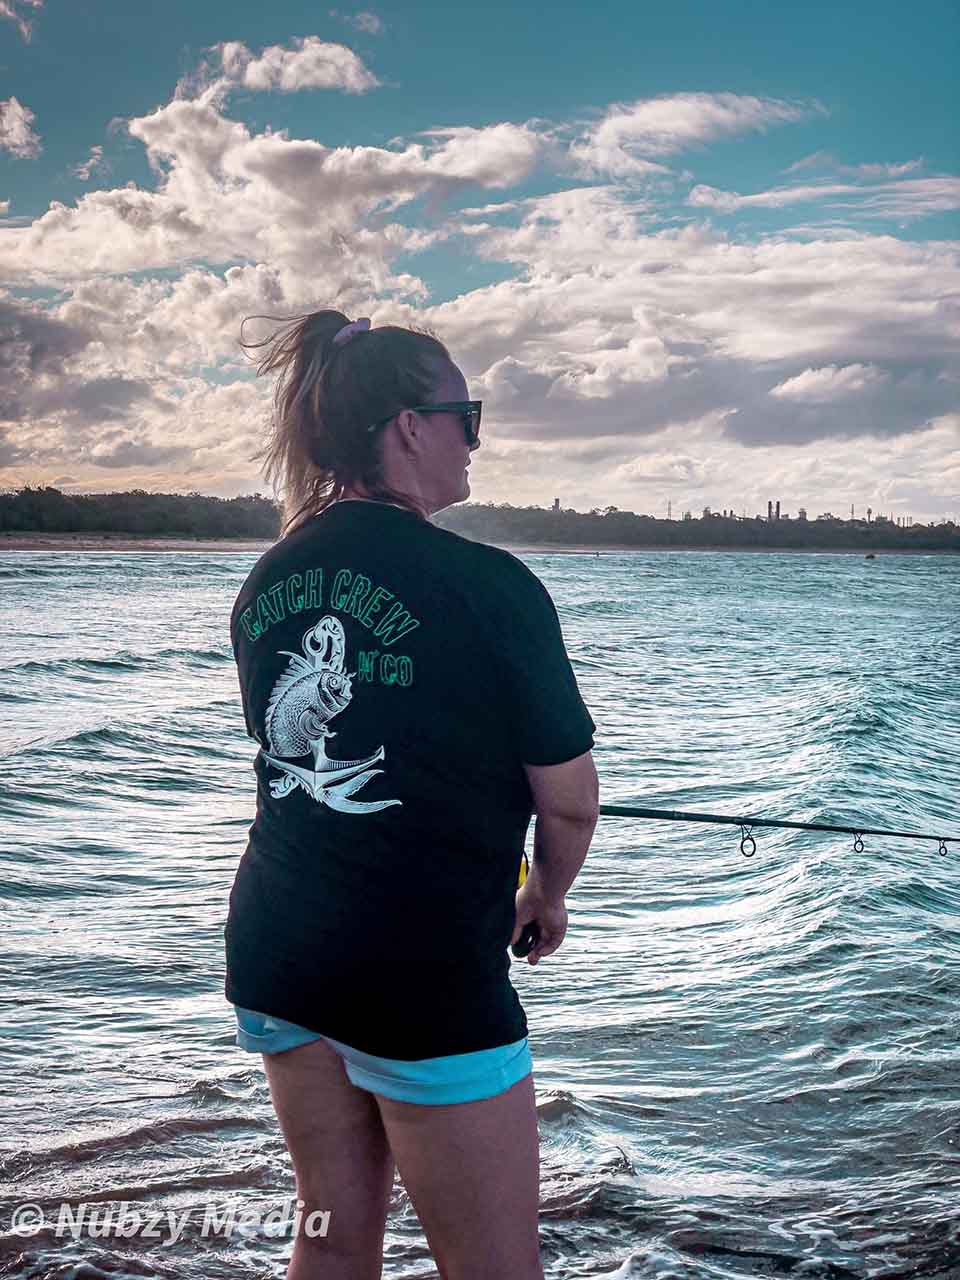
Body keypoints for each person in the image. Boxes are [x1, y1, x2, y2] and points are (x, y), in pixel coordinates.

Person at [225, 308, 599, 1279]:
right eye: (466, 417)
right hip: (422, 972)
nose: (476, 439)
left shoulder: (270, 576)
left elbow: (305, 753)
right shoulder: (492, 585)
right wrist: (547, 893)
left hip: (280, 949)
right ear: (409, 427)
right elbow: (568, 801)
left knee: (332, 1236)